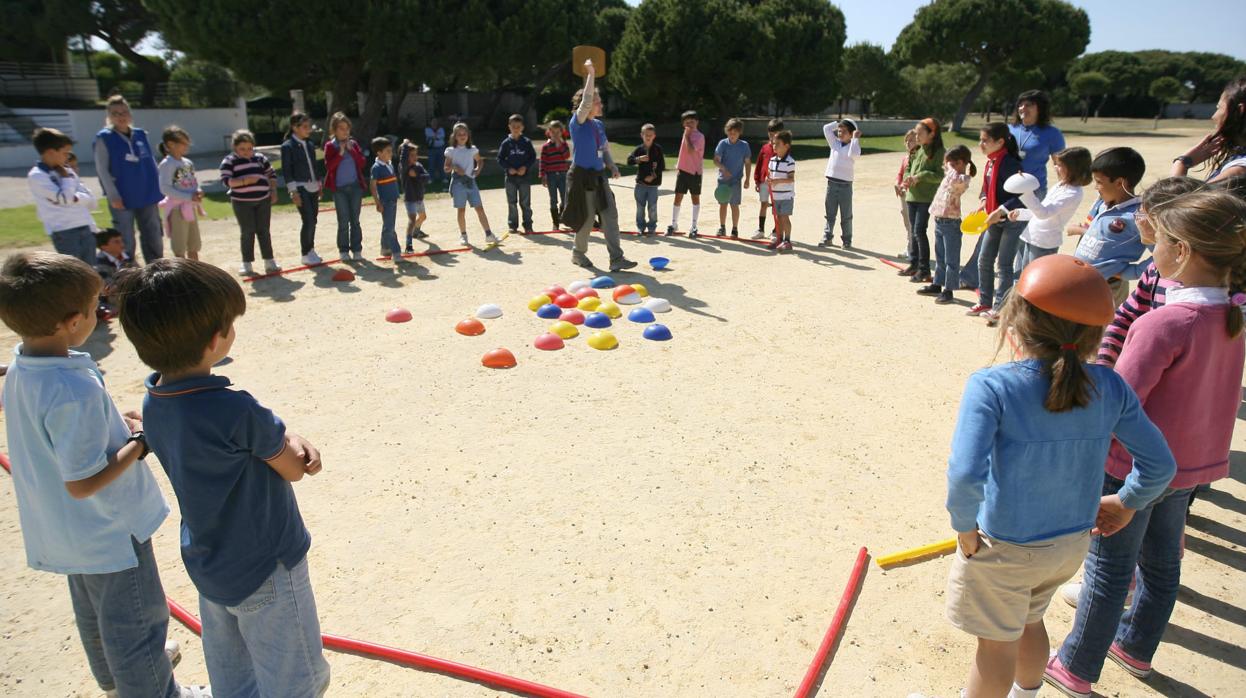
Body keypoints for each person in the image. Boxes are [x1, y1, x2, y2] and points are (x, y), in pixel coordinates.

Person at [941, 254, 1176, 698]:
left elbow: (965, 473)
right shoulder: (1109, 385)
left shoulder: (992, 386)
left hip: (1004, 546)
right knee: (1031, 620)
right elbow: (1160, 464)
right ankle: (1026, 693)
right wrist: (1127, 502)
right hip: (1070, 545)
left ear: (1018, 320)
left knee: (994, 646)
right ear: (1095, 333)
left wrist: (964, 528)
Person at [1046, 189, 1246, 698]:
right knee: (1162, 565)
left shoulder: (1166, 323)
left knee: (1109, 571)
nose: (1148, 249)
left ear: (1181, 250)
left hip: (1131, 468)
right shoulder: (1233, 318)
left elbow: (1120, 401)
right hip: (1190, 467)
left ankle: (1076, 665)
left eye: (1157, 241)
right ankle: (1136, 646)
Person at [114, 258, 331, 697]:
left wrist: (280, 433)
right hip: (267, 564)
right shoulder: (236, 408)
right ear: (217, 340)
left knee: (233, 677)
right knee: (298, 680)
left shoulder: (154, 399)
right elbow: (293, 468)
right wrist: (293, 438)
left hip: (209, 563)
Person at [0, 252, 210, 698]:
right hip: (108, 530)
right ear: (73, 322)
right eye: (97, 308)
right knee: (138, 623)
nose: (101, 315)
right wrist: (140, 441)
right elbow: (83, 480)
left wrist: (119, 423)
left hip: (68, 532)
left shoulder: (21, 366)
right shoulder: (70, 388)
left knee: (96, 615)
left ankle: (119, 685)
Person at [962, 91, 1068, 289]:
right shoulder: (1009, 129)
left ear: (1040, 109)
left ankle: (1017, 284)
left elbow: (1059, 163)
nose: (1023, 109)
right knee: (991, 231)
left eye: (1029, 105)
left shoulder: (1052, 134)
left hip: (1032, 192)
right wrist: (985, 195)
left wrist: (1065, 184)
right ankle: (971, 276)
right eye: (1020, 105)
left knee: (1020, 238)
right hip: (1002, 190)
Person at [562, 59, 636, 271]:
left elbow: (603, 149)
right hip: (581, 177)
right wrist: (591, 74)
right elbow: (585, 102)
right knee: (585, 220)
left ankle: (616, 259)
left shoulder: (599, 125)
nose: (600, 105)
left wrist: (611, 165)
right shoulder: (577, 121)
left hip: (598, 176)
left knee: (609, 215)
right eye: (598, 102)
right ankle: (578, 254)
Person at [1069, 147, 1147, 308]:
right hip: (1082, 282)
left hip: (1109, 287)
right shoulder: (1102, 204)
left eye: (1099, 182)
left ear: (1120, 183)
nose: (1096, 187)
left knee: (1102, 332)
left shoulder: (1140, 215)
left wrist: (1131, 272)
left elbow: (1164, 251)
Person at [93, 95, 163, 264]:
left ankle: (156, 266)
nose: (121, 116)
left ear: (130, 114)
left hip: (147, 192)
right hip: (122, 197)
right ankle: (129, 270)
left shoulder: (140, 134)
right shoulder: (104, 138)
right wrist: (112, 195)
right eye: (115, 113)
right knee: (125, 237)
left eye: (124, 112)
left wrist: (159, 188)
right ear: (109, 116)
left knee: (152, 232)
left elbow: (152, 162)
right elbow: (102, 169)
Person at [967, 123, 1026, 324]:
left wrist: (1000, 210)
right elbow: (987, 188)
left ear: (1000, 142)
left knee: (1004, 264)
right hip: (993, 218)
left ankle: (1001, 308)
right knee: (984, 259)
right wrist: (984, 201)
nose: (980, 144)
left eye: (985, 140)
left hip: (1010, 220)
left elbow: (1021, 195)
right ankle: (985, 301)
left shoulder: (1009, 163)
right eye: (980, 139)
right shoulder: (991, 161)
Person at [1010, 147, 1091, 275]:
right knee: (1021, 276)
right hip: (1032, 236)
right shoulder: (1061, 185)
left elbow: (1044, 213)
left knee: (1036, 280)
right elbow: (1041, 209)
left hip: (1044, 243)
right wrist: (1021, 214)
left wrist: (1025, 190)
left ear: (1073, 168)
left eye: (1060, 165)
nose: (1055, 168)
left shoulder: (1073, 193)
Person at [29, 127, 98, 265]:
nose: (67, 157)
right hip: (64, 232)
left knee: (91, 271)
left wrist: (76, 198)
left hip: (85, 226)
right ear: (50, 152)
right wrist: (66, 180)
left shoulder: (68, 171)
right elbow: (65, 199)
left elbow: (90, 199)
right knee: (74, 273)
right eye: (65, 153)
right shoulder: (37, 176)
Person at [918, 145, 976, 304]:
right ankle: (937, 283)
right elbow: (947, 172)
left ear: (960, 163)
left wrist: (950, 166)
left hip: (951, 223)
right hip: (939, 220)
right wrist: (948, 163)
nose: (948, 166)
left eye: (951, 163)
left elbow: (953, 178)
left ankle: (949, 290)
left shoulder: (963, 179)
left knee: (951, 260)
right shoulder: (951, 173)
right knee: (940, 257)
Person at [220, 130, 280, 276]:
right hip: (241, 202)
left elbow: (271, 174)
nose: (247, 152)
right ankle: (247, 264)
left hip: (263, 200)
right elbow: (226, 181)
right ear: (235, 148)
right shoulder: (229, 161)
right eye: (242, 149)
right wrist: (245, 181)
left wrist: (273, 191)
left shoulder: (260, 158)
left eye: (249, 148)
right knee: (247, 231)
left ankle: (269, 261)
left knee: (264, 231)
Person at [1170, 77, 1246, 183]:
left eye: (1219, 108)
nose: (1213, 116)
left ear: (1240, 111)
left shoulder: (1238, 172)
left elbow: (1177, 198)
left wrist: (1182, 163)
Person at [899, 118, 945, 281]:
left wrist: (921, 176)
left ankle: (924, 269)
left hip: (926, 197)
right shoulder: (917, 150)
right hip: (912, 195)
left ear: (932, 134)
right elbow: (908, 167)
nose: (916, 137)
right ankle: (914, 264)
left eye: (920, 133)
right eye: (916, 133)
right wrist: (907, 178)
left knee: (919, 230)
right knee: (914, 230)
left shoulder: (938, 151)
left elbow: (940, 176)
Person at [281, 112, 324, 266]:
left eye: (309, 126)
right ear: (295, 127)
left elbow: (314, 166)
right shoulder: (287, 146)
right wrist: (293, 192)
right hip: (300, 187)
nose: (309, 129)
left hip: (313, 186)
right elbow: (287, 170)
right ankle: (305, 253)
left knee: (314, 220)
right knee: (308, 220)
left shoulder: (310, 144)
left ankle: (311, 249)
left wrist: (319, 184)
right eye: (305, 127)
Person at [444, 122, 497, 247]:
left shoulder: (472, 149)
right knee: (461, 210)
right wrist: (455, 167)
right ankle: (463, 235)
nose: (462, 136)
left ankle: (489, 234)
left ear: (468, 135)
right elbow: (446, 168)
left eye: (464, 133)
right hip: (458, 183)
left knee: (479, 208)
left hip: (471, 182)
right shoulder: (451, 151)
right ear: (455, 136)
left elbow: (480, 161)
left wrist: (477, 170)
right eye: (459, 134)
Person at [324, 112, 367, 262]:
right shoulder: (330, 146)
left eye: (347, 128)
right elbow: (329, 166)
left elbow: (362, 163)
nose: (345, 131)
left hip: (355, 188)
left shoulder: (353, 144)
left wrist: (351, 150)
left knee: (355, 220)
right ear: (334, 130)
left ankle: (357, 249)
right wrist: (341, 153)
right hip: (340, 190)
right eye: (341, 128)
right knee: (343, 221)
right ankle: (343, 250)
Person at [157, 126, 204, 261]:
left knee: (194, 244)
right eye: (184, 142)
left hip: (190, 207)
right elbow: (165, 188)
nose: (187, 145)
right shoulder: (167, 164)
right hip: (177, 209)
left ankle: (196, 272)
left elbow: (193, 181)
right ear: (171, 144)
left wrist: (198, 191)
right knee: (180, 247)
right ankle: (182, 275)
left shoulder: (187, 162)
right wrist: (188, 196)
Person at [820, 118, 861, 248]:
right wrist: (838, 123)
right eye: (839, 131)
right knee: (830, 214)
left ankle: (847, 240)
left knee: (846, 216)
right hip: (831, 184)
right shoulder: (835, 144)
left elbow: (854, 155)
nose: (840, 133)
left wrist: (855, 139)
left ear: (851, 133)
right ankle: (827, 237)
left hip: (845, 186)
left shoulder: (854, 146)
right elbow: (826, 129)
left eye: (844, 131)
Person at [666, 110, 705, 237]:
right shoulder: (686, 134)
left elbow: (690, 150)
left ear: (697, 123)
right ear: (683, 124)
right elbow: (682, 153)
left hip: (694, 173)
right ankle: (674, 224)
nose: (690, 125)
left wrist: (687, 135)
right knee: (678, 197)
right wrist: (679, 166)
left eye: (692, 122)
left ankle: (694, 226)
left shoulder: (699, 137)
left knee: (695, 198)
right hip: (683, 171)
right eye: (687, 122)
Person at [498, 114, 537, 235]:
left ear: (522, 127)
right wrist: (508, 168)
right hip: (510, 178)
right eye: (513, 126)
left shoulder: (526, 142)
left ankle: (528, 225)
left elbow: (533, 157)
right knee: (512, 202)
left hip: (524, 177)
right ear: (509, 127)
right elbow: (500, 158)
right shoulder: (506, 143)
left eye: (518, 126)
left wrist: (525, 167)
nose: (516, 128)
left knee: (525, 202)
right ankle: (513, 225)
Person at [713, 117, 752, 238]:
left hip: (736, 181)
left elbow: (748, 163)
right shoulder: (722, 144)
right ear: (727, 131)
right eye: (730, 132)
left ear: (739, 132)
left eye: (735, 132)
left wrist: (747, 179)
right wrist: (723, 169)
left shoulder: (744, 146)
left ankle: (735, 229)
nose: (732, 134)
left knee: (734, 205)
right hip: (723, 180)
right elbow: (716, 160)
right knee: (723, 204)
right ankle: (722, 227)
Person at [369, 137, 403, 262]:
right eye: (388, 151)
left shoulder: (389, 164)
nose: (391, 153)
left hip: (393, 200)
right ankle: (396, 251)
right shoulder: (376, 167)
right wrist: (377, 202)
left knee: (388, 225)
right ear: (379, 153)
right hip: (385, 201)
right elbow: (372, 186)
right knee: (390, 227)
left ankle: (385, 248)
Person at [627, 123, 665, 235]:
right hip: (640, 184)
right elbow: (629, 161)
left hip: (653, 185)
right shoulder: (639, 149)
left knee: (652, 207)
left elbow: (662, 166)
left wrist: (653, 176)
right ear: (641, 135)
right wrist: (639, 159)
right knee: (640, 208)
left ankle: (652, 226)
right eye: (646, 134)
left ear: (654, 136)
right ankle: (640, 227)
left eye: (650, 135)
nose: (648, 137)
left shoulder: (658, 149)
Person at [751, 118, 783, 239]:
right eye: (770, 134)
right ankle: (760, 229)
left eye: (775, 134)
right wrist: (757, 180)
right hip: (764, 182)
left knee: (776, 206)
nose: (772, 136)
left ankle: (776, 231)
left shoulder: (783, 148)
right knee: (763, 204)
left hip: (777, 183)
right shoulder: (764, 148)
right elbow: (759, 164)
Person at [766, 130, 797, 252]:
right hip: (775, 196)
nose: (774, 146)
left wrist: (776, 181)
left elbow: (791, 179)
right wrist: (767, 179)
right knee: (778, 219)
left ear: (786, 146)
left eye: (778, 143)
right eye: (773, 143)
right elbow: (769, 175)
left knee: (784, 218)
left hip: (786, 196)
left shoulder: (790, 161)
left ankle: (787, 241)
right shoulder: (772, 160)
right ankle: (779, 239)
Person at [539, 120, 571, 230]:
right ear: (549, 132)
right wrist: (543, 176)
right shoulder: (546, 147)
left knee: (565, 198)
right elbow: (542, 162)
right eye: (554, 132)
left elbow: (566, 156)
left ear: (562, 132)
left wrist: (560, 145)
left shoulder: (564, 145)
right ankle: (555, 223)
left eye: (558, 132)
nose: (556, 135)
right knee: (553, 200)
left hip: (563, 175)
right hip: (551, 176)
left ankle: (561, 217)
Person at [399, 140, 430, 251]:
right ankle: (409, 245)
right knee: (411, 220)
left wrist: (417, 175)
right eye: (411, 155)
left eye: (416, 155)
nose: (415, 157)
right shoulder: (404, 168)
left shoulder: (418, 166)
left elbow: (427, 177)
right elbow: (403, 159)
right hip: (410, 199)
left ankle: (415, 232)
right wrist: (405, 145)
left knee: (423, 217)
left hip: (419, 198)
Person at [425, 117, 447, 187]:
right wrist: (437, 136)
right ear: (430, 122)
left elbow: (442, 136)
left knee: (441, 163)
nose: (434, 123)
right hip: (431, 149)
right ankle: (431, 178)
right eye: (433, 121)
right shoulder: (427, 129)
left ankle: (443, 178)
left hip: (441, 148)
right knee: (431, 164)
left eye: (436, 121)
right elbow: (429, 135)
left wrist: (434, 136)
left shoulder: (441, 129)